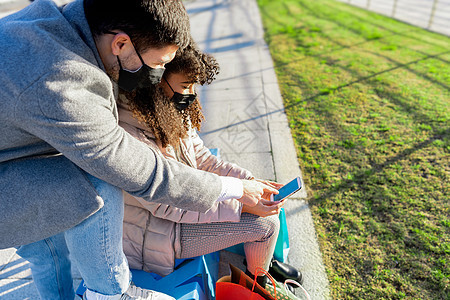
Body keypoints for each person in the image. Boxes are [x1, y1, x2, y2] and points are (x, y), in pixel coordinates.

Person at [0, 0, 278, 299]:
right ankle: (110, 293)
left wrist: (238, 186)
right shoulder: (62, 82)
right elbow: (142, 172)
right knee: (94, 182)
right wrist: (235, 191)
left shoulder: (64, 22)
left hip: (14, 162)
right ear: (120, 43)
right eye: (159, 64)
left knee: (46, 247)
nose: (157, 76)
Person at [117, 42, 303, 289]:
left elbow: (204, 160)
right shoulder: (128, 133)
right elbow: (168, 205)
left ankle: (262, 265)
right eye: (185, 86)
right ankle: (257, 282)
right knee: (266, 224)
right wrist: (241, 204)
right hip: (158, 232)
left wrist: (248, 182)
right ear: (157, 80)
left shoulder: (169, 109)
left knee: (266, 202)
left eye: (194, 86)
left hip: (186, 206)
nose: (191, 93)